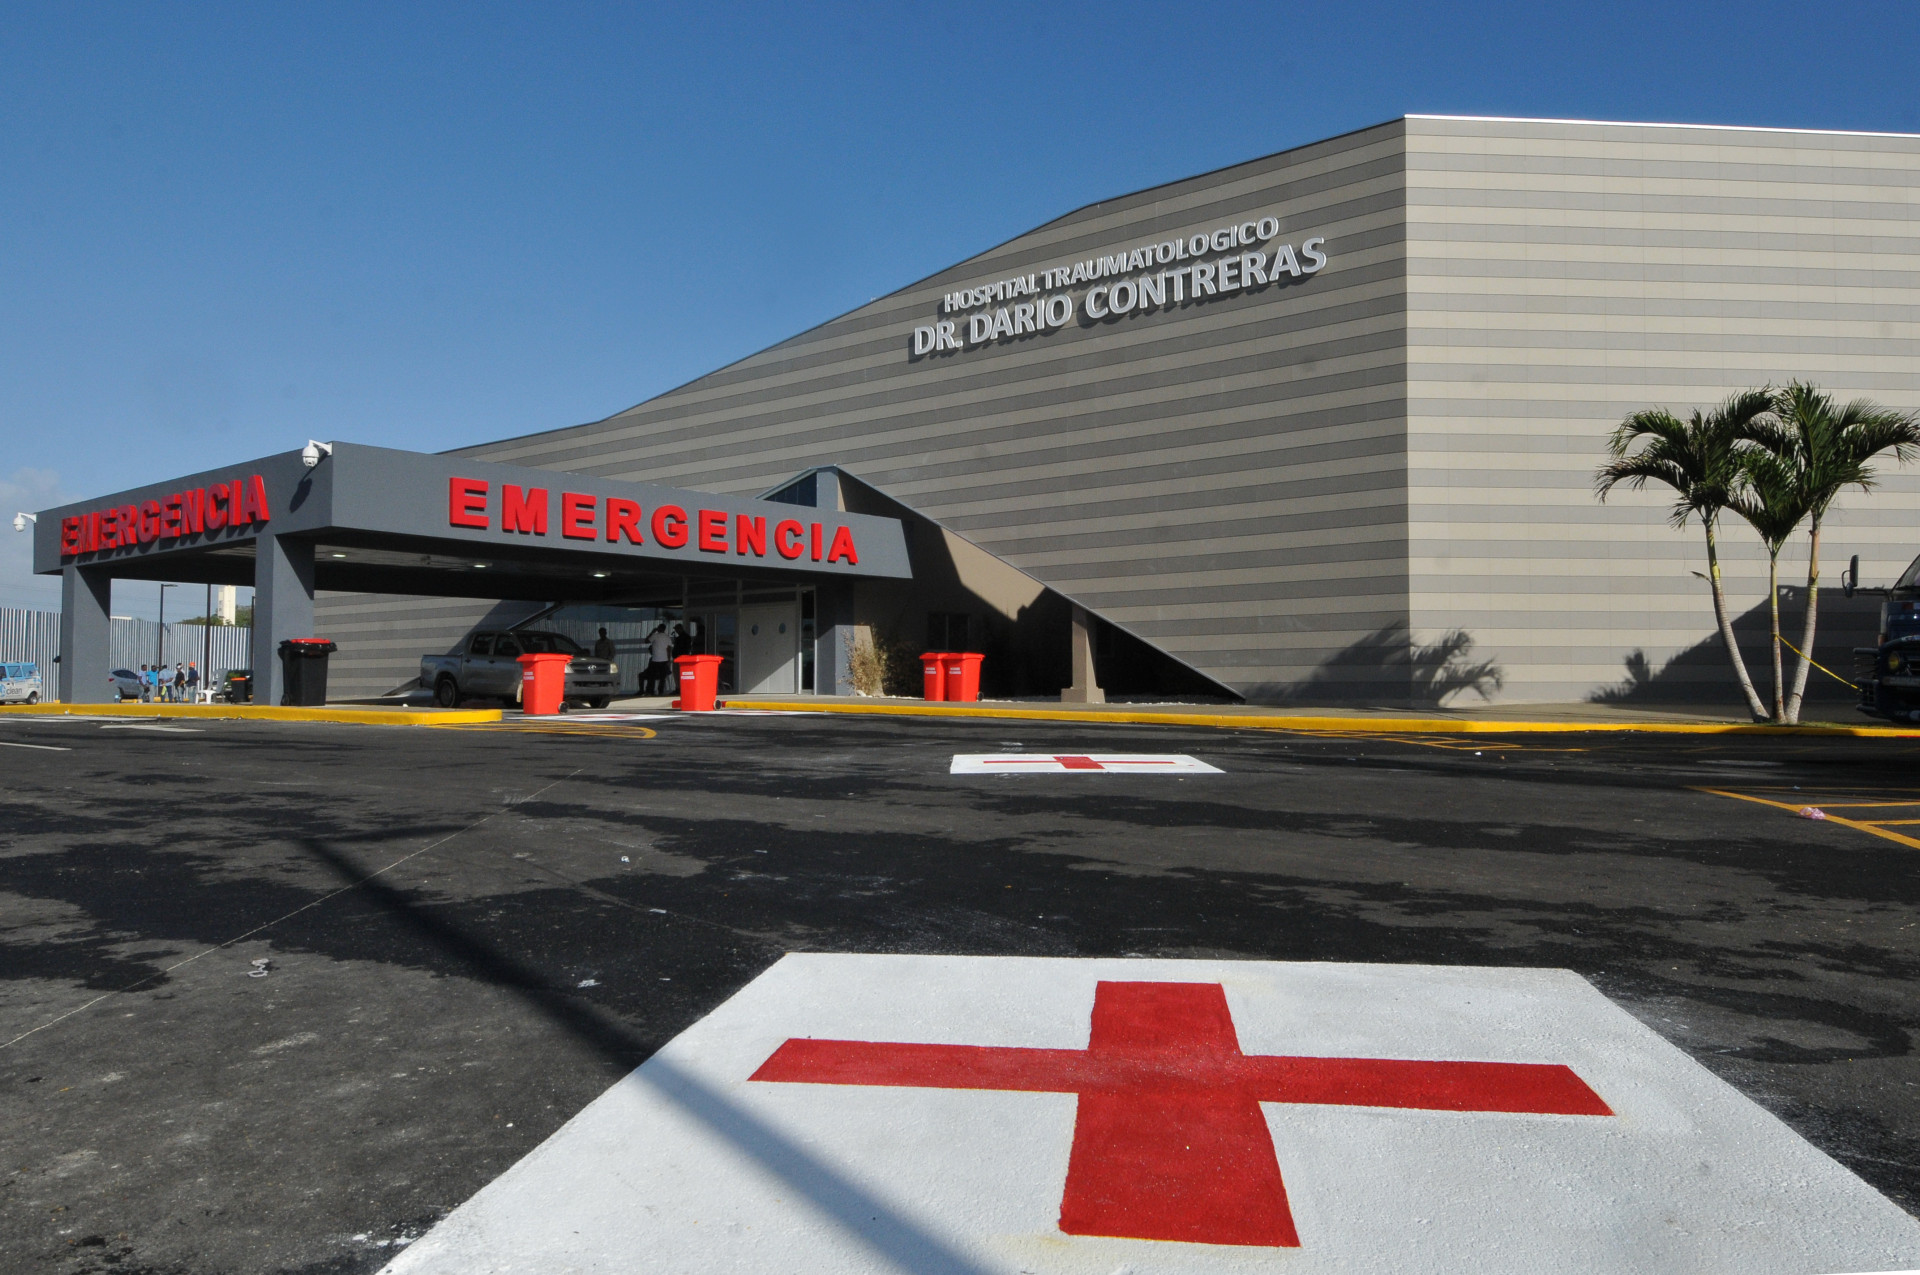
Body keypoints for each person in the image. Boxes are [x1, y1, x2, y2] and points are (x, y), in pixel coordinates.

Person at [646, 623, 673, 695]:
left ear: (659, 628)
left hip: (655, 659)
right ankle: (660, 691)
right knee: (662, 677)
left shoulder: (655, 636)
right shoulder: (667, 637)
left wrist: (652, 632)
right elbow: (669, 649)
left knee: (652, 676)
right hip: (664, 659)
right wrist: (668, 659)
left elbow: (646, 641)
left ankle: (651, 690)